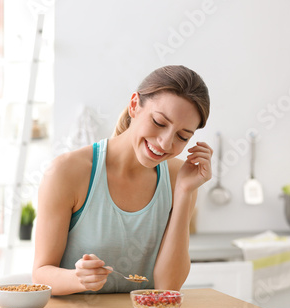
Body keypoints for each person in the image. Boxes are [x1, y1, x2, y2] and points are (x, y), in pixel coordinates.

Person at [32, 65, 212, 295]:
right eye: (159, 122)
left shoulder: (179, 178)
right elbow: (41, 273)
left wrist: (185, 192)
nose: (166, 144)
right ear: (134, 105)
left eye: (182, 136)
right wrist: (78, 278)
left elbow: (168, 287)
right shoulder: (67, 172)